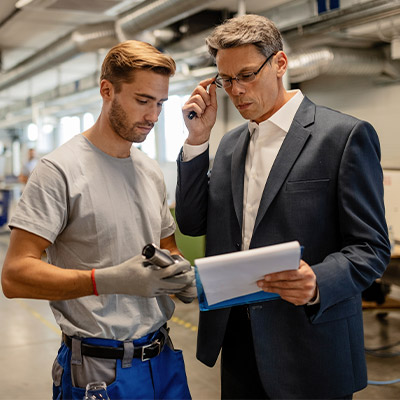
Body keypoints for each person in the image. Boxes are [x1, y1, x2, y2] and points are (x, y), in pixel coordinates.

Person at [175, 14, 390, 399]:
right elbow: (192, 224)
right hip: (239, 340)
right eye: (226, 81)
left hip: (310, 342)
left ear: (279, 63)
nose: (236, 90)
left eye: (246, 75)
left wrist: (317, 282)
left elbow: (371, 248)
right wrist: (196, 140)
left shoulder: (342, 137)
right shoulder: (228, 145)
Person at [1, 40, 195, 400]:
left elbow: (168, 247)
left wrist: (180, 275)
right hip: (98, 371)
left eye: (160, 103)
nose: (153, 116)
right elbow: (14, 276)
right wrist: (106, 280)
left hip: (163, 359)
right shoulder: (59, 171)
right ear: (107, 90)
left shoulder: (150, 172)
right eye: (142, 100)